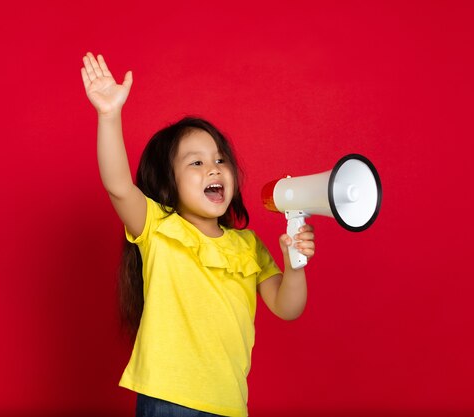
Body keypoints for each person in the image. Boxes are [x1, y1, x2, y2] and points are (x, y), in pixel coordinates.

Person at [81, 52, 315, 417]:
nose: (214, 169)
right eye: (196, 162)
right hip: (170, 399)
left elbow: (287, 307)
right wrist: (109, 116)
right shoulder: (158, 226)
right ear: (167, 182)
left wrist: (294, 266)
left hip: (230, 404)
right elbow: (117, 186)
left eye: (220, 160)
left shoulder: (248, 245)